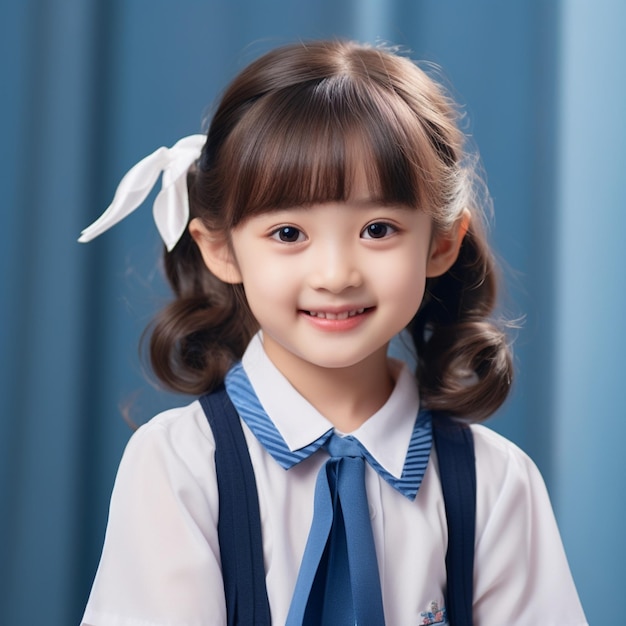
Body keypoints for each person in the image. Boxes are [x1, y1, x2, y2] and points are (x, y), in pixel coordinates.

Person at [78, 40, 587, 625]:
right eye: (289, 233)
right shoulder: (181, 465)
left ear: (441, 242)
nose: (336, 275)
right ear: (221, 249)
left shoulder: (495, 482)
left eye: (378, 229)